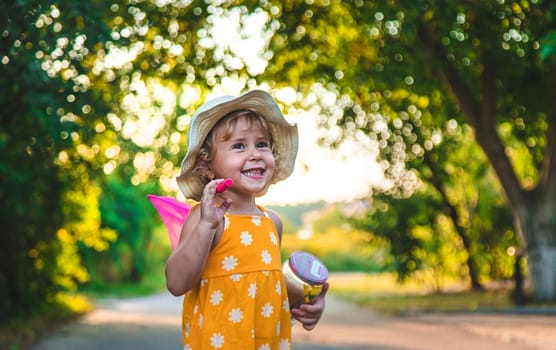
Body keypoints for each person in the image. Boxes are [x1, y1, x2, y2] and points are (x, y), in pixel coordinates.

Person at [165, 90, 329, 349]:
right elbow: (176, 282)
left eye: (262, 144)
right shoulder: (208, 216)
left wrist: (310, 303)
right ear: (208, 167)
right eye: (239, 145)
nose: (255, 153)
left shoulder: (272, 222)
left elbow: (267, 285)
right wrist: (206, 225)